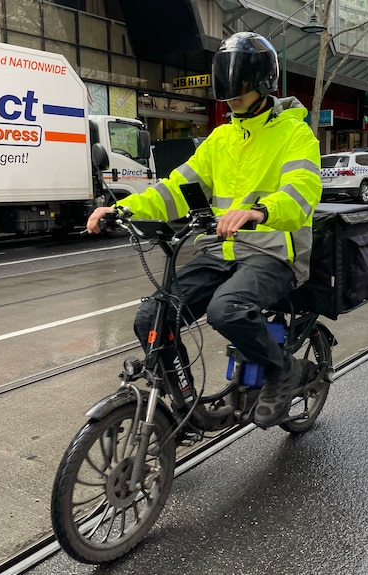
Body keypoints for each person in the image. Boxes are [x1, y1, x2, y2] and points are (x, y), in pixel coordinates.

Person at [86, 32, 321, 428]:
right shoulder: (220, 139)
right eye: (227, 95)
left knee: (226, 310)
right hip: (220, 253)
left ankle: (283, 370)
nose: (231, 102)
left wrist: (259, 212)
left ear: (264, 85)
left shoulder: (295, 134)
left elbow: (303, 190)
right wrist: (121, 208)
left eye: (240, 94)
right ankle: (183, 408)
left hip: (273, 255)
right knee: (152, 319)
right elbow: (175, 189)